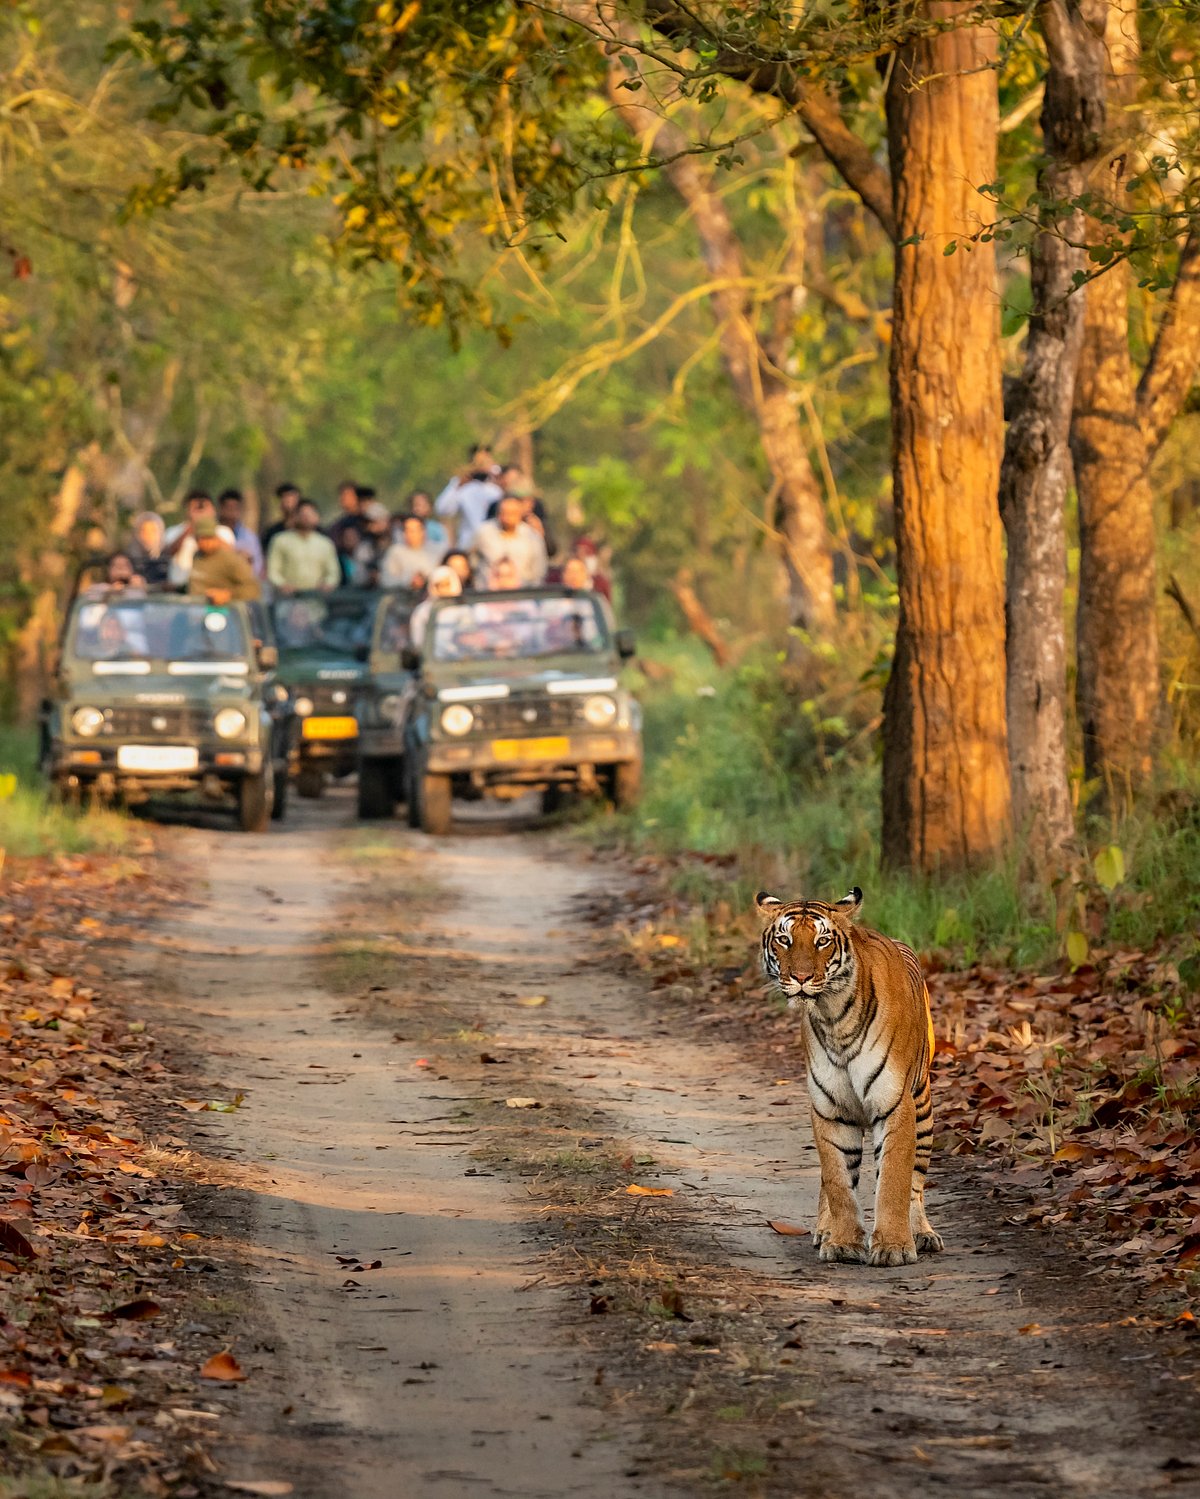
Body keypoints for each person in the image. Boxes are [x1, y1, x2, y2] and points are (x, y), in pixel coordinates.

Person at [434, 444, 502, 551]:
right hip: (468, 544)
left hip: (495, 544)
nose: (483, 465)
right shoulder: (462, 484)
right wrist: (458, 486)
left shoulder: (498, 484)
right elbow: (442, 509)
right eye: (479, 462)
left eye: (486, 461)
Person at [164, 492, 237, 588]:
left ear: (213, 510)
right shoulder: (174, 531)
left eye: (204, 507)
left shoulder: (223, 532)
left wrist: (207, 529)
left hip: (212, 588)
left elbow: (230, 554)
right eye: (195, 507)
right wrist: (191, 527)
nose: (200, 510)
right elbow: (168, 553)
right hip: (179, 588)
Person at [267, 499, 340, 594]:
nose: (306, 518)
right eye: (303, 514)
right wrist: (282, 584)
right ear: (295, 517)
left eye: (310, 515)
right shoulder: (280, 540)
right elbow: (273, 571)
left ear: (316, 517)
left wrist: (328, 583)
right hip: (288, 598)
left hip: (316, 598)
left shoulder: (325, 543)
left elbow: (333, 572)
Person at [473, 495, 547, 586]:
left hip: (523, 593)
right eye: (504, 513)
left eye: (512, 513)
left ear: (520, 514)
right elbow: (472, 557)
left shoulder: (532, 536)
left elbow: (539, 569)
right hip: (487, 592)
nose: (507, 518)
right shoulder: (484, 532)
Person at [188, 516, 261, 604]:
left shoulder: (230, 559)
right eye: (201, 538)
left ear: (216, 537)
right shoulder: (197, 556)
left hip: (221, 612)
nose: (205, 542)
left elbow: (253, 588)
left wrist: (228, 594)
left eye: (209, 537)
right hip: (196, 610)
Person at [380, 513, 444, 590]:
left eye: (415, 530)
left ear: (423, 531)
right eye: (407, 530)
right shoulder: (396, 552)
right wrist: (408, 581)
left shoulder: (437, 550)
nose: (411, 534)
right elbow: (386, 580)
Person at [409, 565, 463, 648]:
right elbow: (418, 641)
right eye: (438, 585)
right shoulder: (422, 611)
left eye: (446, 585)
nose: (443, 589)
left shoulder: (463, 608)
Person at [217, 489, 265, 578]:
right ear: (221, 508)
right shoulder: (213, 533)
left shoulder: (250, 537)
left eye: (235, 508)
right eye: (228, 508)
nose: (232, 512)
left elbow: (257, 566)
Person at [353, 500, 393, 586]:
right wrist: (369, 578)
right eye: (369, 523)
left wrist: (383, 577)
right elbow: (357, 577)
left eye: (375, 521)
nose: (373, 526)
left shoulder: (398, 542)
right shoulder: (364, 548)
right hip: (371, 595)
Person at [127, 511, 169, 586]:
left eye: (153, 531)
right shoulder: (129, 560)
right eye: (144, 531)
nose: (148, 536)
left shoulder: (168, 557)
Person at [261, 482, 300, 551]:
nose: (287, 501)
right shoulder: (272, 533)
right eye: (284, 497)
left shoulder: (311, 530)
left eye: (290, 497)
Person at [328, 480, 362, 549]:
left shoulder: (367, 522)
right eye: (341, 495)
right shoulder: (338, 526)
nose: (341, 499)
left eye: (346, 495)